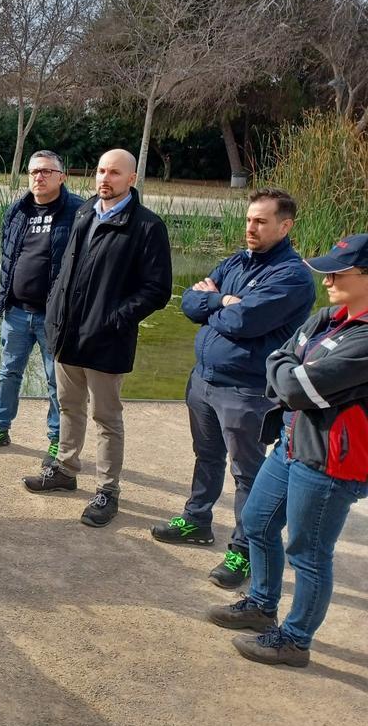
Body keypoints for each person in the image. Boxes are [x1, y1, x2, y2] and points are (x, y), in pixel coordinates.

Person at [207, 233, 368, 668]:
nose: (328, 278)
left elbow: (298, 387)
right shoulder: (329, 316)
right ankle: (261, 604)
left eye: (339, 271)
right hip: (293, 443)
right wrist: (290, 370)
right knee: (257, 523)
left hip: (331, 461)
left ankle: (295, 640)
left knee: (308, 552)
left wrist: (291, 372)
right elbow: (279, 358)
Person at [151, 189, 315, 588]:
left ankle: (244, 551)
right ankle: (197, 520)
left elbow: (245, 322)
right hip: (204, 380)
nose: (250, 228)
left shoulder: (291, 276)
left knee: (248, 472)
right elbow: (189, 301)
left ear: (285, 225)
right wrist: (221, 300)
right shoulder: (238, 261)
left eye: (260, 221)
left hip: (247, 389)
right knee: (205, 455)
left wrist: (215, 304)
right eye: (248, 219)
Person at [23, 149, 172, 527]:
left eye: (115, 173)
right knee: (69, 406)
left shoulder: (147, 226)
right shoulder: (85, 211)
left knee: (106, 418)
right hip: (67, 334)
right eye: (101, 170)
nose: (105, 178)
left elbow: (157, 290)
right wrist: (56, 308)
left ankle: (108, 490)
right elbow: (68, 267)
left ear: (132, 179)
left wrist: (114, 319)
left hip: (107, 340)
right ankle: (65, 470)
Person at [0, 150, 85, 458]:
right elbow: (8, 257)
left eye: (47, 171)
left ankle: (57, 439)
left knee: (56, 381)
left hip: (55, 317)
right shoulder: (18, 210)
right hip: (17, 312)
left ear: (62, 177)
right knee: (8, 372)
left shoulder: (79, 212)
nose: (39, 176)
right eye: (34, 171)